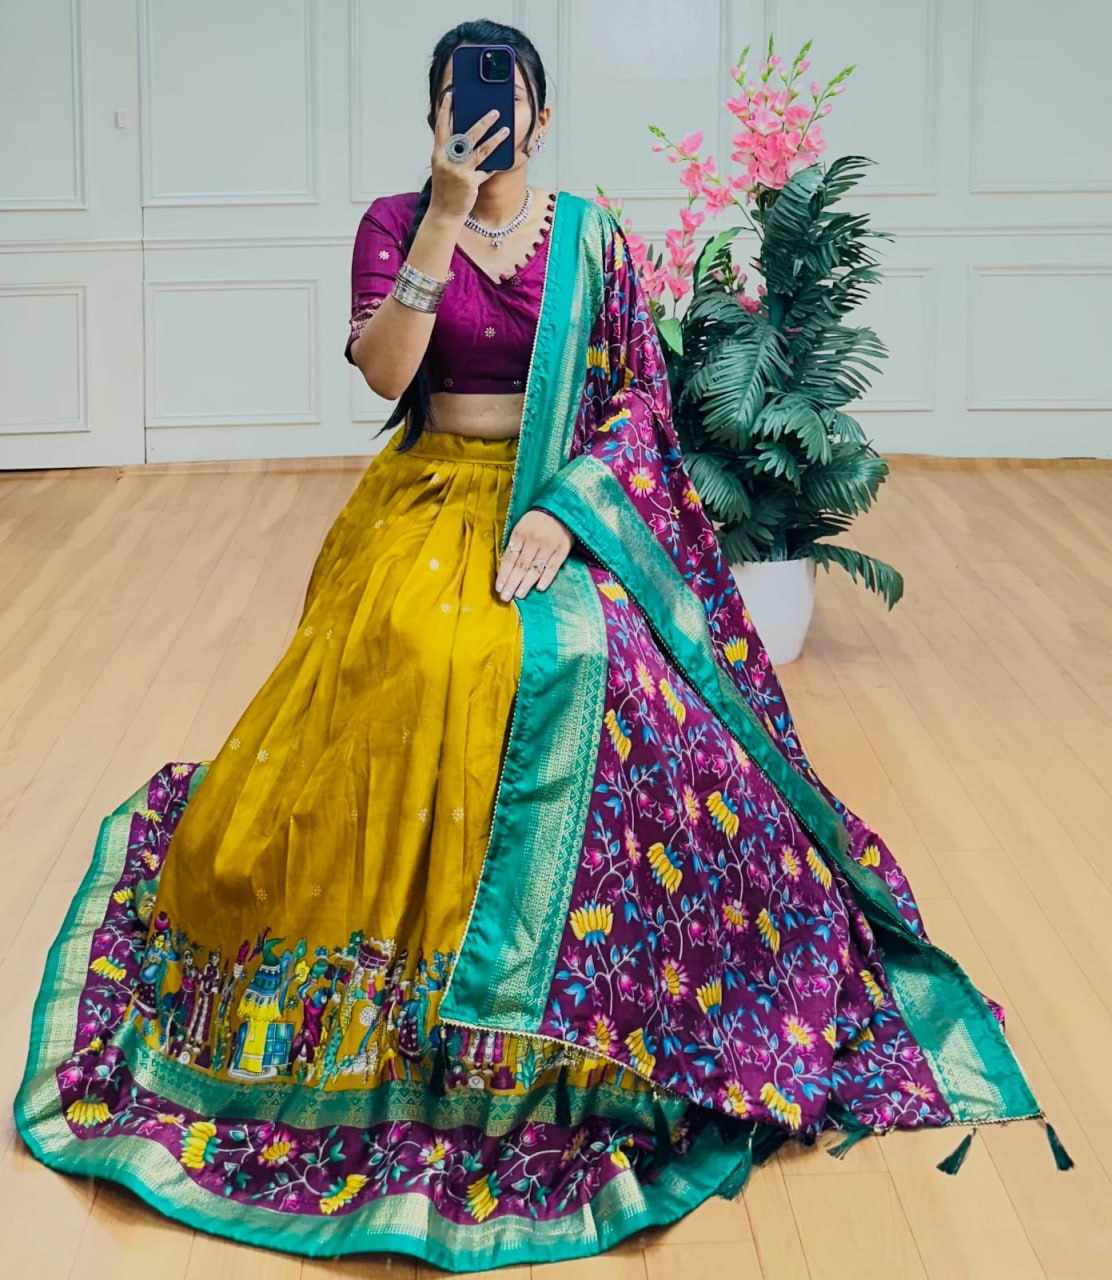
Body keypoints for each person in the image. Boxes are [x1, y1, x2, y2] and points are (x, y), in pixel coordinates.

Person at [12, 18, 1073, 1275]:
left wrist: (565, 515)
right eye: (459, 99)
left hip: (564, 502)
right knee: (429, 654)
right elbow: (382, 377)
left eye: (505, 99)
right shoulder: (391, 222)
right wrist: (439, 217)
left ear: (543, 116)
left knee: (618, 677)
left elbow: (635, 404)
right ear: (432, 115)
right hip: (428, 499)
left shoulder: (590, 238)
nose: (483, 117)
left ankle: (620, 983)